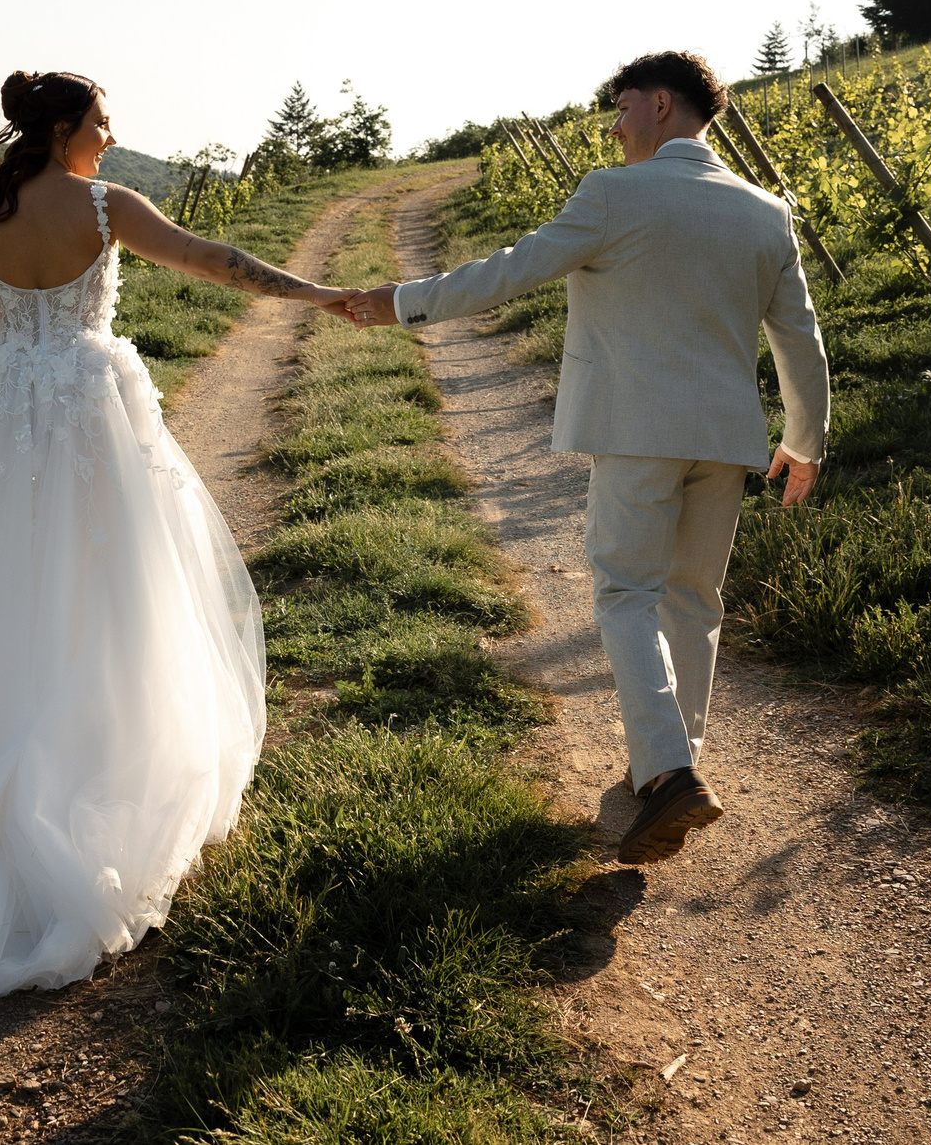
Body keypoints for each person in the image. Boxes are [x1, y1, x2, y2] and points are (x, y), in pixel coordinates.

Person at [0, 70, 357, 1006]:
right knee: (109, 589)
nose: (111, 132)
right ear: (65, 128)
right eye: (101, 119)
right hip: (91, 412)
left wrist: (8, 374)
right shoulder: (107, 206)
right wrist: (318, 293)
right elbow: (209, 259)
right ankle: (91, 765)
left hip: (3, 414)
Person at [340, 51, 829, 864]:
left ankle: (668, 772)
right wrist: (805, 441)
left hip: (635, 431)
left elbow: (508, 273)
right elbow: (800, 341)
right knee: (694, 599)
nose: (614, 126)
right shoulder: (765, 211)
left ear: (662, 105)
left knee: (627, 593)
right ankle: (669, 766)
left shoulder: (612, 194)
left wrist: (401, 302)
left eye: (622, 107)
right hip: (725, 440)